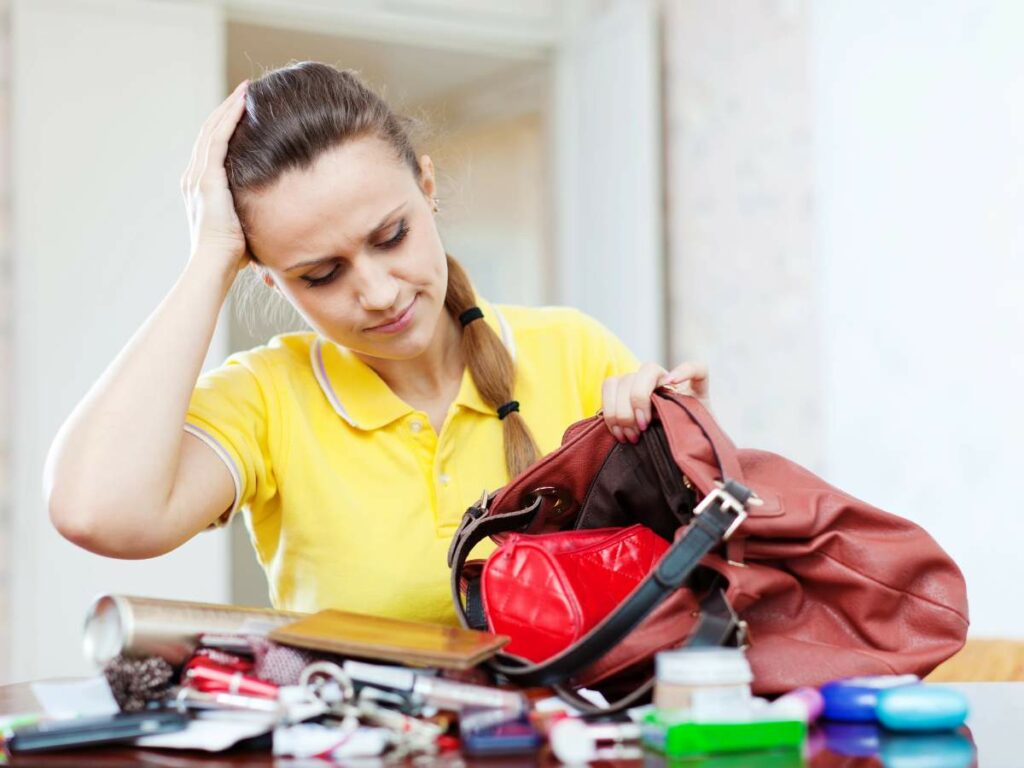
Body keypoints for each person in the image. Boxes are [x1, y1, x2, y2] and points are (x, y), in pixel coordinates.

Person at [44, 62, 710, 625]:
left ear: (427, 187)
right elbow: (97, 512)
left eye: (391, 236)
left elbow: (702, 578)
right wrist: (211, 258)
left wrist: (688, 445)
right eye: (321, 274)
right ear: (274, 284)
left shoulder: (572, 348)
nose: (380, 293)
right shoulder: (268, 398)